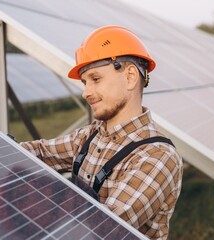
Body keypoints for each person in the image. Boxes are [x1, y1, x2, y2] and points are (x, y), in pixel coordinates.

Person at [20, 25, 183, 239]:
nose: (86, 93)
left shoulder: (157, 156)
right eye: (84, 82)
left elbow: (103, 230)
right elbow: (39, 151)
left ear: (131, 76)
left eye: (96, 79)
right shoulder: (89, 136)